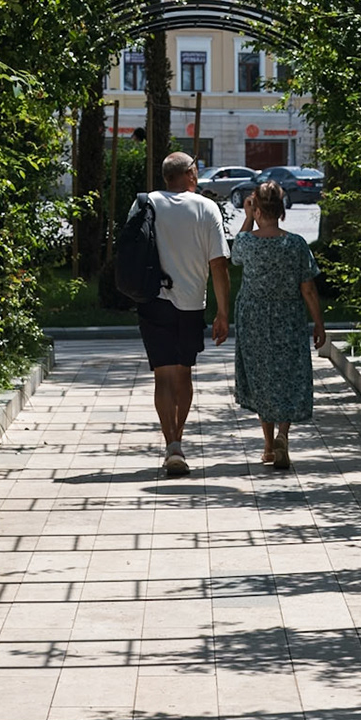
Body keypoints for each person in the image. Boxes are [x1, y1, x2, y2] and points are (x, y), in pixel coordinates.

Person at [134, 150, 230, 476]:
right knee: (183, 373)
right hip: (191, 304)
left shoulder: (146, 203)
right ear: (189, 174)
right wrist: (223, 313)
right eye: (196, 169)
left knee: (163, 375)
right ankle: (178, 439)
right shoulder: (206, 208)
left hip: (152, 300)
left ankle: (171, 445)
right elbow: (218, 264)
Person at [231, 180, 327, 469]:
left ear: (257, 208)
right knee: (285, 374)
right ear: (282, 211)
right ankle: (284, 435)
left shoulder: (247, 242)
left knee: (262, 377)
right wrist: (319, 324)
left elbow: (235, 256)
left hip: (254, 319)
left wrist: (248, 217)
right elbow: (308, 288)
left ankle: (268, 445)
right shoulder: (296, 244)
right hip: (289, 318)